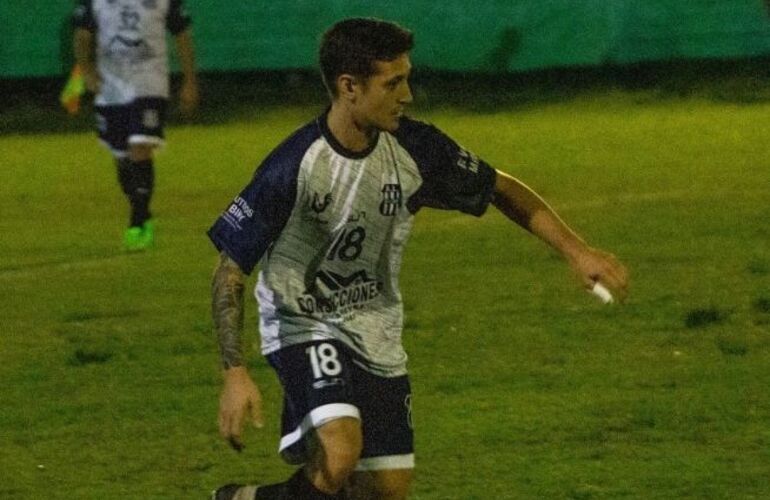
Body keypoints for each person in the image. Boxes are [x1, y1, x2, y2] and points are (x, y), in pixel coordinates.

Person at [208, 18, 629, 500]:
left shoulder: (416, 148)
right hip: (304, 322)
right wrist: (235, 373)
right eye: (393, 83)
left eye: (407, 78)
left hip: (376, 328)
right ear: (349, 87)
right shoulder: (294, 166)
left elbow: (501, 189)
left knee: (385, 490)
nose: (407, 94)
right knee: (341, 452)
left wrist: (578, 252)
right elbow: (229, 269)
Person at [72, 0, 199, 251]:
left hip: (149, 84)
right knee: (121, 157)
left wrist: (190, 81)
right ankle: (140, 208)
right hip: (111, 88)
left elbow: (182, 35)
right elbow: (82, 35)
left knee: (140, 145)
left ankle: (138, 222)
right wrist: (86, 71)